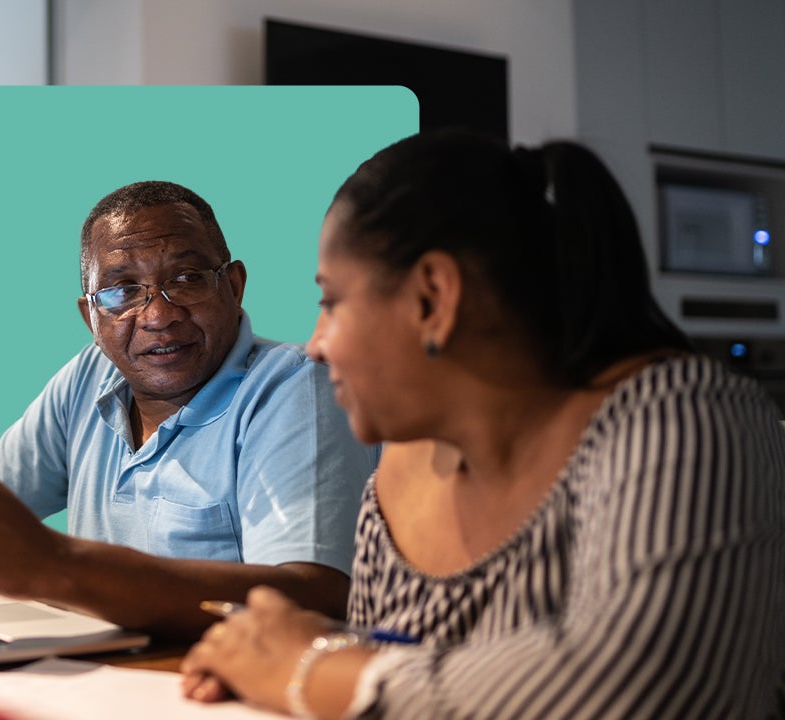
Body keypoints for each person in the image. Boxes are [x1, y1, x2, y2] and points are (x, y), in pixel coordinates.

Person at [180, 129, 785, 718]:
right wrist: (276, 654)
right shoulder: (399, 466)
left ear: (433, 298)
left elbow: (640, 686)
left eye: (333, 301)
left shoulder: (685, 416)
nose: (315, 345)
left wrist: (310, 667)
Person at [0, 181, 380, 638]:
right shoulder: (90, 376)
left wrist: (56, 565)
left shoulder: (296, 388)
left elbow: (316, 598)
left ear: (233, 286)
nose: (158, 315)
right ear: (89, 315)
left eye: (186, 279)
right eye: (121, 291)